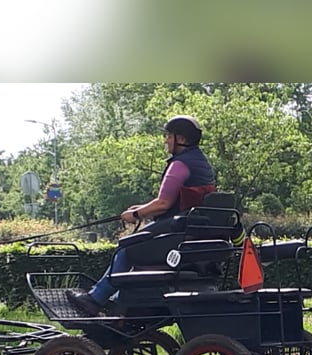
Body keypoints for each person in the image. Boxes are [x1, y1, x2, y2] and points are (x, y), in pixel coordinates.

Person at [66, 115, 221, 316]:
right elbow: (172, 200)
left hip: (179, 231)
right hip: (191, 230)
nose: (166, 140)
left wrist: (137, 214)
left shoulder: (180, 164)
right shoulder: (200, 162)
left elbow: (163, 204)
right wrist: (140, 209)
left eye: (169, 136)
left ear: (181, 138)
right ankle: (114, 299)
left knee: (127, 247)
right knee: (133, 245)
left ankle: (96, 298)